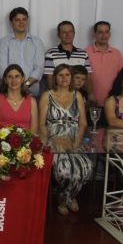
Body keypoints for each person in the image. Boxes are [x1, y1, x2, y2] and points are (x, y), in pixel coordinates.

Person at [39, 64, 92, 215]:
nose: (64, 78)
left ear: (71, 78)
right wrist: (53, 140)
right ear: (55, 77)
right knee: (65, 171)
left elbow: (83, 124)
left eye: (67, 75)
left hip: (74, 137)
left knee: (86, 169)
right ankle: (65, 198)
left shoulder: (78, 95)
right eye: (60, 75)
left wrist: (75, 143)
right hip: (52, 136)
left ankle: (67, 195)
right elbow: (41, 124)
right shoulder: (46, 95)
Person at [0, 7, 45, 96]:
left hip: (31, 92)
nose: (21, 23)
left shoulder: (37, 42)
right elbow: (2, 69)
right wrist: (15, 86)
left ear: (27, 21)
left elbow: (39, 68)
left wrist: (26, 85)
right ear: (11, 23)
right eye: (17, 20)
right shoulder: (3, 42)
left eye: (24, 19)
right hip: (9, 92)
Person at [44, 21, 93, 97]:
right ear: (58, 35)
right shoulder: (51, 53)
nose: (67, 35)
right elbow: (50, 79)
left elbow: (88, 78)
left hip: (79, 95)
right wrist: (56, 97)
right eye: (64, 32)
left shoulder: (83, 53)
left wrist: (90, 94)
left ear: (74, 34)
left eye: (70, 31)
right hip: (59, 96)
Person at [85, 21, 123, 108]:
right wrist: (90, 94)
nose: (104, 35)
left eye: (106, 32)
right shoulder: (85, 53)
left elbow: (122, 78)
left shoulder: (117, 54)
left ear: (110, 34)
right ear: (95, 34)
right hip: (91, 103)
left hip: (113, 103)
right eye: (100, 32)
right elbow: (81, 78)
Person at [0, 64, 38, 133]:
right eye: (10, 77)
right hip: (2, 141)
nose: (13, 80)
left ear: (23, 79)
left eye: (17, 76)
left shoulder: (32, 101)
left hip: (27, 141)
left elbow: (34, 131)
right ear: (5, 80)